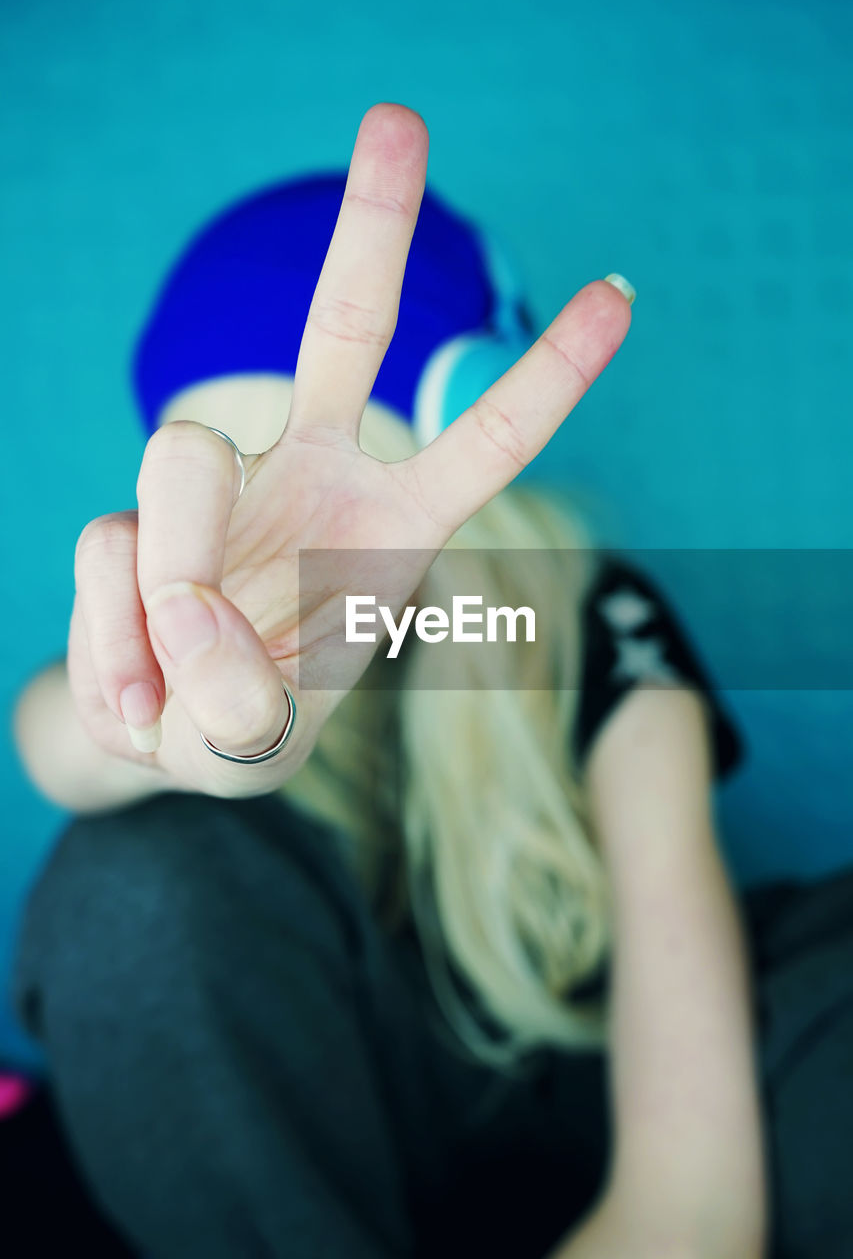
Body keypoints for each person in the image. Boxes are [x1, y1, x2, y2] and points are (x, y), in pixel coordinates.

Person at [9, 102, 853, 1259]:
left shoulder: (595, 625)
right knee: (130, 878)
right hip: (355, 1086)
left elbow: (691, 1205)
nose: (284, 553)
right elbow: (52, 735)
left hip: (605, 1059)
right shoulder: (211, 747)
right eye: (229, 509)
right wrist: (167, 706)